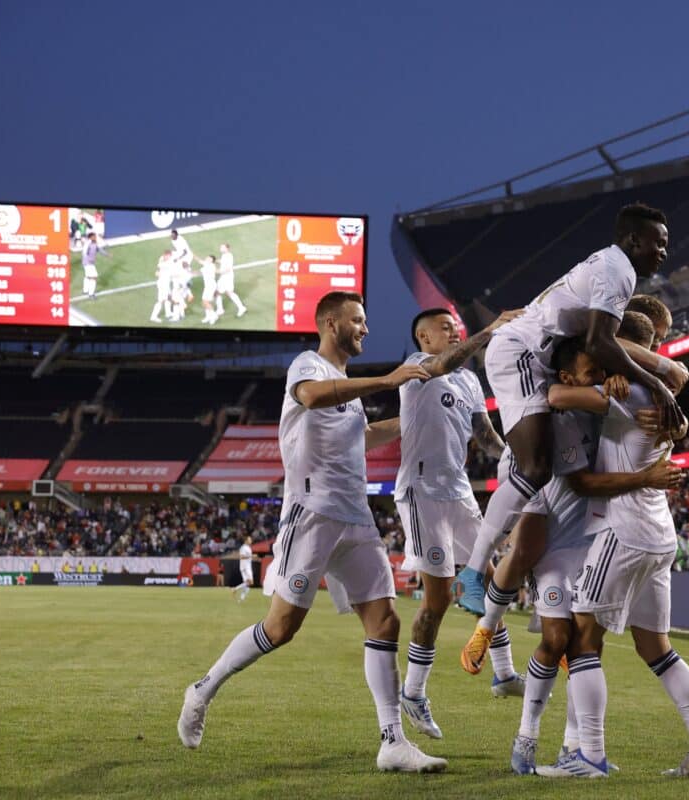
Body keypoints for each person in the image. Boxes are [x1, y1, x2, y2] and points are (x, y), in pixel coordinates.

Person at [177, 291, 447, 771]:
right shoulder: (308, 367)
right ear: (330, 322)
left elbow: (361, 437)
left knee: (384, 621)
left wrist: (413, 420)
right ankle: (203, 689)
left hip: (356, 517)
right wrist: (388, 378)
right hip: (312, 514)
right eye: (357, 320)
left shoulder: (344, 382)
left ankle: (391, 742)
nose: (365, 328)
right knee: (281, 629)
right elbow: (312, 397)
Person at [454, 204, 689, 620]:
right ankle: (474, 573)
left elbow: (604, 344)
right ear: (634, 240)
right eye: (659, 243)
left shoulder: (611, 267)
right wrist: (658, 378)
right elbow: (601, 343)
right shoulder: (618, 272)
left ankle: (483, 594)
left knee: (534, 475)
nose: (664, 252)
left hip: (531, 360)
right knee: (535, 468)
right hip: (523, 356)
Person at [534, 315, 689, 779]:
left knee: (583, 640)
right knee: (655, 646)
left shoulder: (625, 394)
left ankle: (590, 757)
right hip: (660, 533)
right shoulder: (660, 397)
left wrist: (620, 376)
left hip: (623, 531)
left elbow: (555, 395)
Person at [507, 316, 684, 775]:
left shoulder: (614, 399)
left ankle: (576, 749)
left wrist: (645, 387)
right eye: (597, 367)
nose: (604, 374)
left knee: (586, 645)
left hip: (603, 540)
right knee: (558, 640)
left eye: (606, 364)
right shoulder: (563, 416)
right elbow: (581, 481)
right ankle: (527, 737)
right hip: (561, 543)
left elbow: (675, 379)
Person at [394, 306, 522, 740]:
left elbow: (484, 435)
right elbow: (446, 363)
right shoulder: (416, 367)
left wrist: (517, 459)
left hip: (459, 492)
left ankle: (503, 674)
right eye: (444, 328)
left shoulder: (468, 380)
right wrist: (488, 331)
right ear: (424, 338)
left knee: (490, 583)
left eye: (456, 327)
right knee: (438, 600)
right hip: (421, 493)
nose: (453, 332)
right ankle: (413, 692)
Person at [216, 243, 247, 319]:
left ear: (227, 249)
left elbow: (228, 269)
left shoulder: (229, 256)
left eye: (222, 247)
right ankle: (220, 309)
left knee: (228, 293)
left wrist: (218, 271)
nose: (220, 248)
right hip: (224, 277)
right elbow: (223, 262)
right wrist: (215, 260)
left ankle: (241, 308)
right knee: (218, 292)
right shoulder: (224, 255)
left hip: (227, 277)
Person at [151, 250, 175, 322]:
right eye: (169, 255)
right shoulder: (168, 262)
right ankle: (153, 316)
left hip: (164, 283)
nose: (170, 256)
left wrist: (158, 271)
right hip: (163, 284)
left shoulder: (161, 259)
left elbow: (158, 269)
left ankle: (168, 313)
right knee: (160, 301)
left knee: (168, 297)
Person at [230, 535, 254, 601]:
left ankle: (241, 599)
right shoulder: (243, 548)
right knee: (250, 582)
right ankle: (235, 589)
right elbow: (241, 557)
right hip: (245, 567)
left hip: (247, 566)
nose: (251, 540)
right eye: (249, 539)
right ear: (246, 541)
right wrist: (251, 556)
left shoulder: (248, 547)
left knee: (247, 583)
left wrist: (251, 557)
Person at [198, 255, 219, 324]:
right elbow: (199, 263)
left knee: (205, 302)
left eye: (208, 258)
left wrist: (191, 254)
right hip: (208, 286)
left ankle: (214, 315)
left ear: (211, 260)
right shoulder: (207, 265)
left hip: (211, 286)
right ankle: (208, 317)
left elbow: (200, 262)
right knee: (204, 302)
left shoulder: (211, 266)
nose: (206, 258)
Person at [82, 233, 100, 298]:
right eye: (94, 236)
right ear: (90, 237)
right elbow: (84, 252)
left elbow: (99, 249)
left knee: (87, 276)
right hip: (88, 263)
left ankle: (85, 290)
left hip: (88, 263)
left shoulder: (94, 243)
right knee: (94, 277)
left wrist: (107, 254)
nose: (95, 237)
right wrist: (88, 259)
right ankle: (91, 294)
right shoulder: (88, 244)